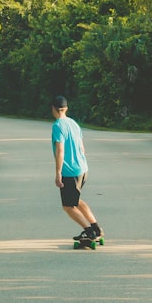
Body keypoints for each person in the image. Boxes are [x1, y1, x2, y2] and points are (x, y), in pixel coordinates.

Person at [51, 95, 103, 240]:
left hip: (69, 172)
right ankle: (96, 229)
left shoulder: (57, 126)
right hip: (83, 168)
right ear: (66, 108)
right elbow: (82, 148)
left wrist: (58, 173)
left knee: (68, 206)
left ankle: (89, 232)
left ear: (53, 109)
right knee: (76, 200)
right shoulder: (73, 123)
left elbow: (60, 150)